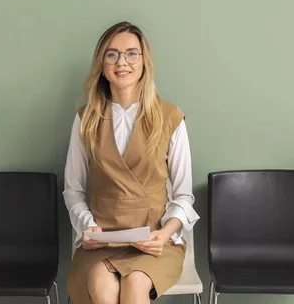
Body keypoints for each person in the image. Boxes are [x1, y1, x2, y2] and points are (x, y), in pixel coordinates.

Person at [63, 21, 200, 304]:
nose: (121, 62)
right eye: (112, 54)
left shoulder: (169, 117)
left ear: (144, 61)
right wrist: (88, 226)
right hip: (102, 241)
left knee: (136, 284)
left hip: (154, 241)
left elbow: (184, 195)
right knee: (103, 288)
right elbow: (73, 190)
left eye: (131, 53)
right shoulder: (86, 118)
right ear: (101, 64)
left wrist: (165, 234)